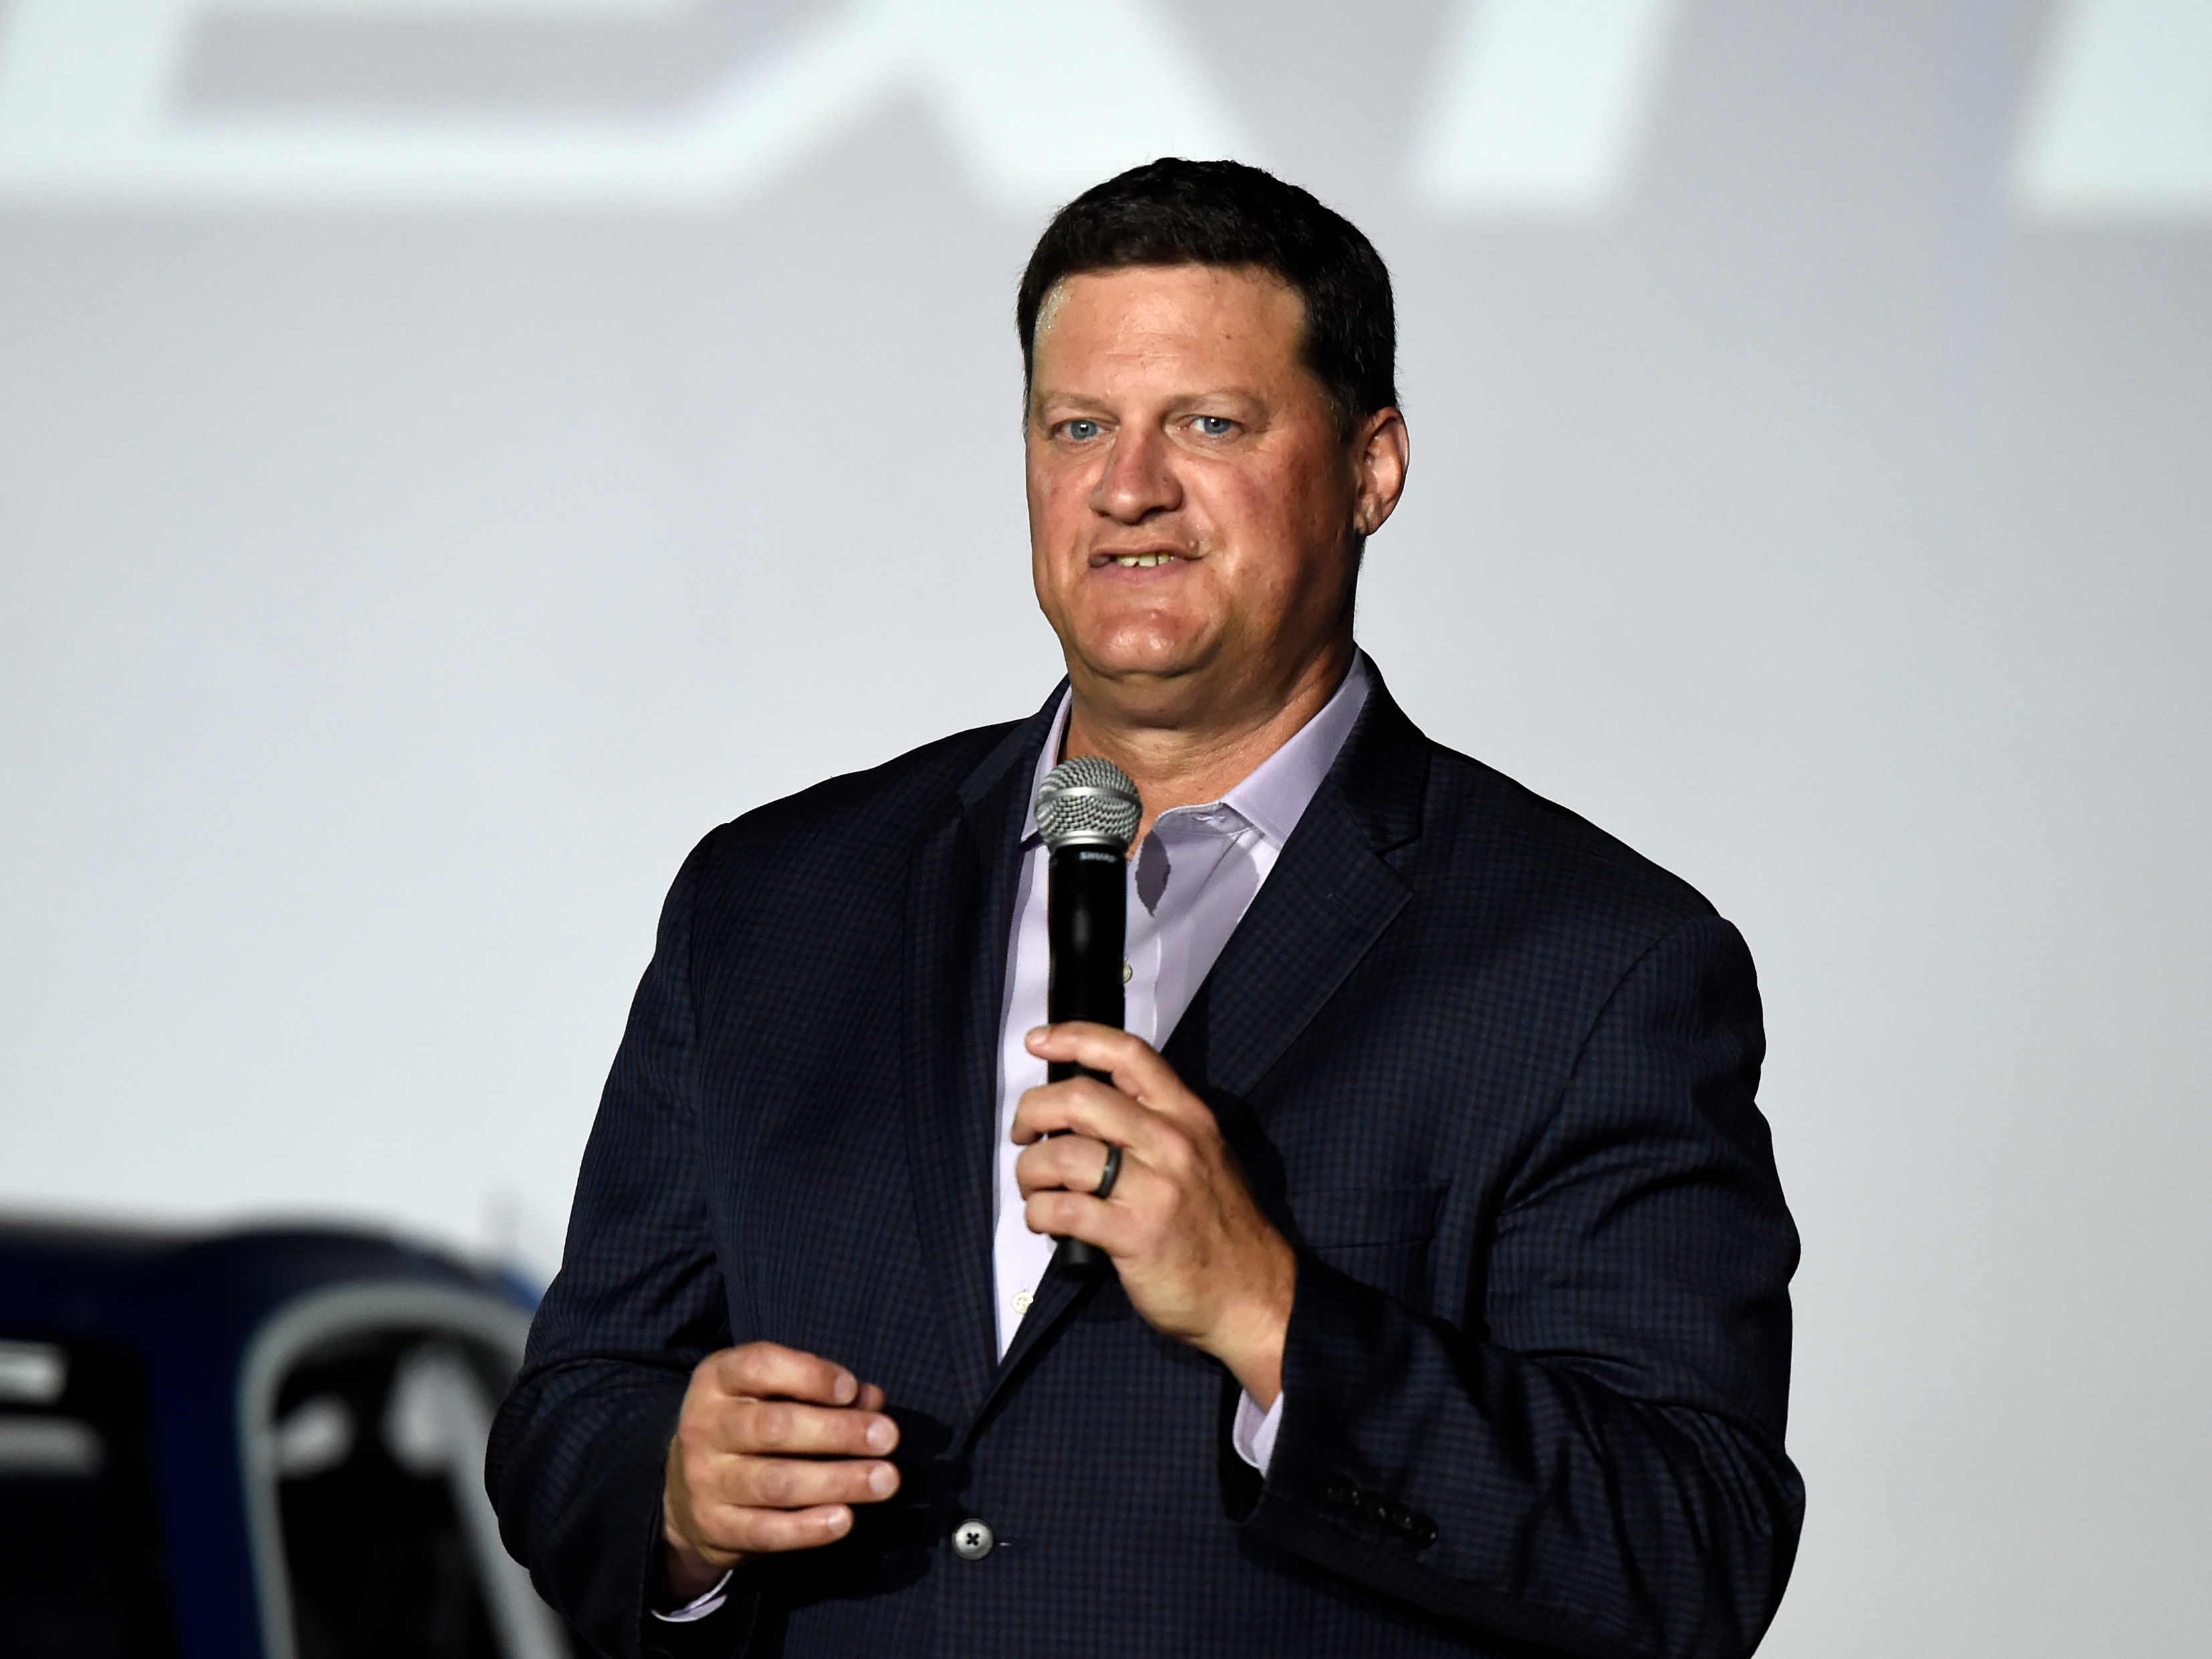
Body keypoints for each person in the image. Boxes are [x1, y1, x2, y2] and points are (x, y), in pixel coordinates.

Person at [487, 158, 1802, 1659]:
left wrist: (1276, 1321)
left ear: (1372, 467)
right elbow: (563, 1417)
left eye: (1211, 424)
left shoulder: (1593, 960)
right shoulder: (774, 898)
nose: (1127, 486)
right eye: (1078, 427)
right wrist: (673, 1487)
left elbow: (1690, 1551)